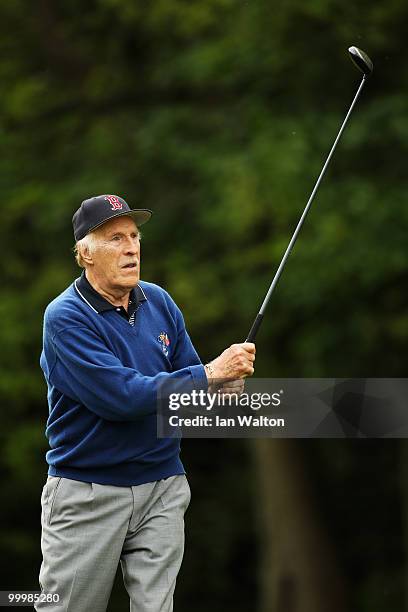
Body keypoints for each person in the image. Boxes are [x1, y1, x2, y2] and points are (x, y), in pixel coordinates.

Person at [36, 194, 256, 612]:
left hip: (163, 486)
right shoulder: (64, 317)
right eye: (115, 238)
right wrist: (210, 374)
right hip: (89, 492)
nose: (131, 247)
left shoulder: (158, 300)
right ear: (85, 253)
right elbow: (122, 396)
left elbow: (188, 387)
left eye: (134, 236)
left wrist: (223, 388)